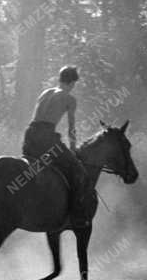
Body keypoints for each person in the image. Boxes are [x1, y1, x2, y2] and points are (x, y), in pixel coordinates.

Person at [21, 65, 97, 228]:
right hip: (46, 137)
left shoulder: (45, 93)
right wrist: (73, 148)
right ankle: (76, 213)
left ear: (60, 79)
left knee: (33, 168)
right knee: (77, 170)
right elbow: (71, 128)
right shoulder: (69, 99)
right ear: (72, 82)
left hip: (30, 134)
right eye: (75, 83)